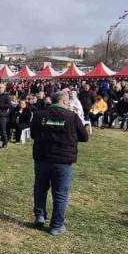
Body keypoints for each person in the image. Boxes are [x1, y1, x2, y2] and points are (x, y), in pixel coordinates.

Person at [31, 91, 89, 236]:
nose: (69, 103)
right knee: (60, 194)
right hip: (62, 160)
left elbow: (33, 134)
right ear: (63, 101)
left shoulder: (39, 115)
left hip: (42, 158)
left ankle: (40, 215)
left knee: (40, 188)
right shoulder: (72, 116)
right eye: (68, 101)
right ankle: (56, 226)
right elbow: (84, 136)